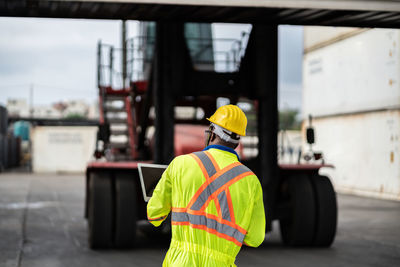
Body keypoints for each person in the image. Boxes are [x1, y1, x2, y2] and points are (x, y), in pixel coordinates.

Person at [147, 104, 266, 267]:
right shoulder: (251, 181)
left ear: (211, 131)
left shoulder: (181, 164)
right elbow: (255, 239)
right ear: (238, 141)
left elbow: (154, 215)